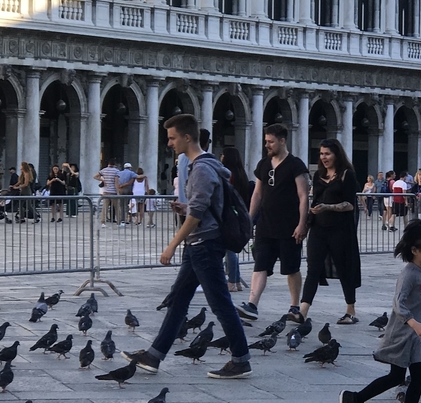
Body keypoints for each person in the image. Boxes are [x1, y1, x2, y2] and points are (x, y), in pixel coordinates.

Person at [122, 113, 251, 379]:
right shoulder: (205, 166)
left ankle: (241, 359)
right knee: (178, 300)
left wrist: (172, 244)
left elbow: (197, 215)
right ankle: (154, 356)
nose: (169, 143)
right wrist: (186, 206)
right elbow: (201, 207)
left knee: (220, 303)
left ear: (187, 137)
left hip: (204, 244)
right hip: (198, 245)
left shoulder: (202, 168)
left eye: (172, 137)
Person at [337, 219, 421, 403]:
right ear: (415, 250)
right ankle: (355, 399)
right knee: (396, 377)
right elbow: (399, 303)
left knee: (419, 374)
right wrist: (414, 323)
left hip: (415, 334)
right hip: (402, 332)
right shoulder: (409, 274)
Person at [236, 123, 309, 322]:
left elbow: (303, 196)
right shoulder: (264, 164)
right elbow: (257, 194)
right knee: (260, 264)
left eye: (271, 142)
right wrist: (249, 219)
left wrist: (302, 223)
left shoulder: (296, 165)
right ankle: (252, 304)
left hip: (289, 226)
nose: (267, 145)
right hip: (266, 225)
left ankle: (295, 306)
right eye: (266, 141)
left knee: (291, 268)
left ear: (282, 141)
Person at [299, 138, 361, 325]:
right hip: (318, 228)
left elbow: (350, 205)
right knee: (312, 269)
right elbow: (316, 200)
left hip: (340, 230)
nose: (324, 157)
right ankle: (302, 311)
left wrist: (328, 207)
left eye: (327, 154)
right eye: (321, 154)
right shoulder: (318, 175)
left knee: (344, 268)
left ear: (336, 155)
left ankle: (350, 309)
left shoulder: (346, 175)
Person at [221, 146, 253, 293]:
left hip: (230, 215)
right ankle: (237, 280)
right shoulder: (242, 175)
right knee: (231, 248)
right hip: (240, 213)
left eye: (222, 155)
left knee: (229, 250)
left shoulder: (229, 175)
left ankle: (232, 281)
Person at [95, 159, 120, 225]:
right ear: (114, 165)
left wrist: (102, 180)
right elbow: (116, 182)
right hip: (113, 191)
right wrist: (118, 192)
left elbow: (95, 176)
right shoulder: (116, 171)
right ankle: (118, 222)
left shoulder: (104, 170)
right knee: (116, 207)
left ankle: (103, 222)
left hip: (106, 191)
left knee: (105, 207)